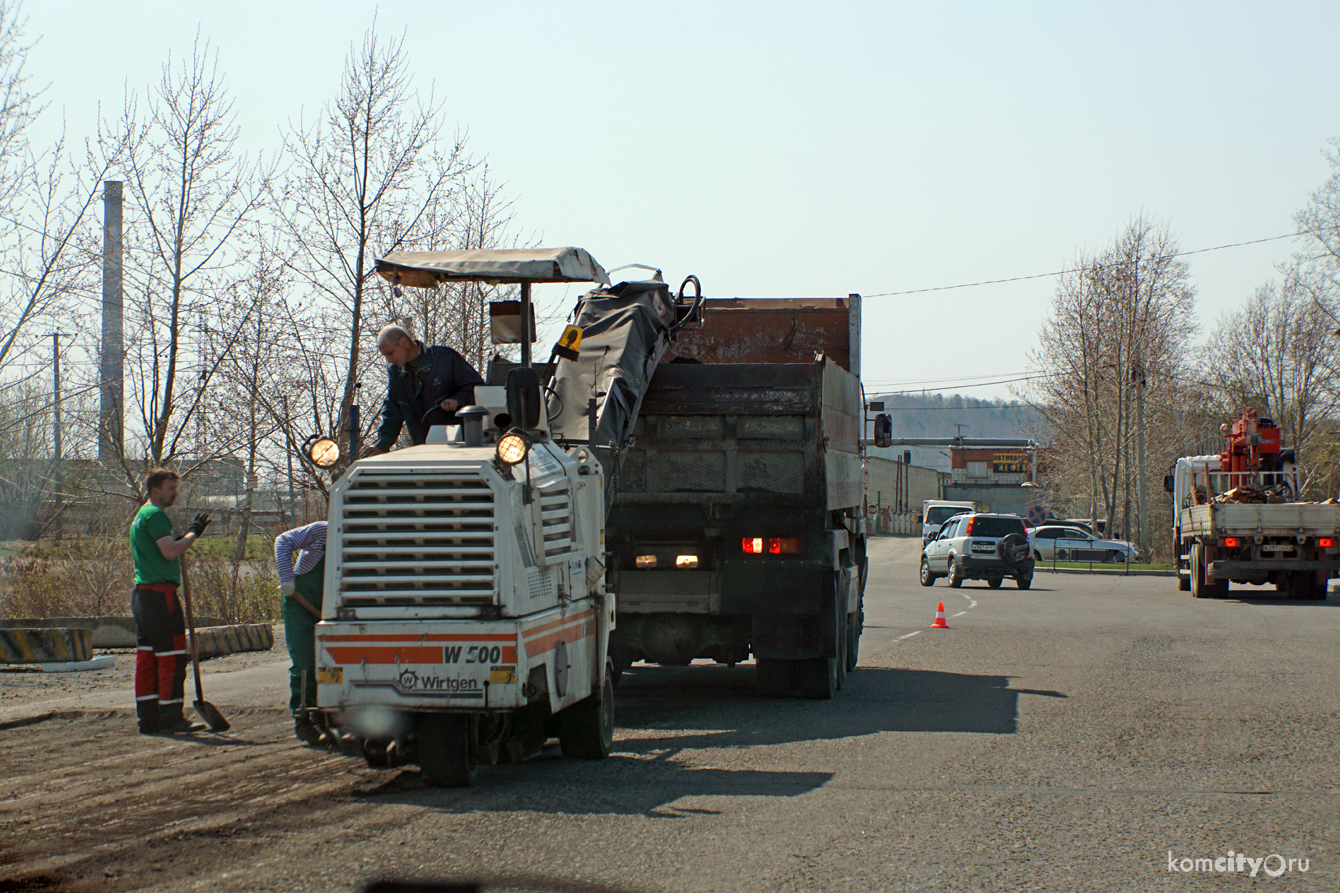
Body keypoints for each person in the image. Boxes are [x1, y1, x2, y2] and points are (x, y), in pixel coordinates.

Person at [130, 469, 210, 735]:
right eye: (170, 488)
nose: (175, 493)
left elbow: (163, 547)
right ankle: (170, 716)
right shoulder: (154, 515)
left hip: (143, 595)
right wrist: (194, 533)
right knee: (172, 656)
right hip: (159, 595)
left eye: (176, 488)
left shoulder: (142, 516)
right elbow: (170, 551)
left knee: (149, 656)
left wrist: (180, 538)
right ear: (155, 490)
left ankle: (149, 719)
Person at [363, 325, 485, 456]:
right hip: (422, 448)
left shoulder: (445, 358)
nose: (389, 360)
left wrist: (458, 400)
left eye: (390, 353)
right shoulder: (396, 372)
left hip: (459, 446)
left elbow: (476, 387)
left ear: (404, 342)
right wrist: (383, 444)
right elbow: (393, 409)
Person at [274, 520, 327, 744]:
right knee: (306, 662)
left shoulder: (360, 541)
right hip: (301, 604)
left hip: (329, 609)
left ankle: (325, 715)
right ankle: (303, 717)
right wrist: (287, 581)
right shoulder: (323, 530)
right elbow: (282, 541)